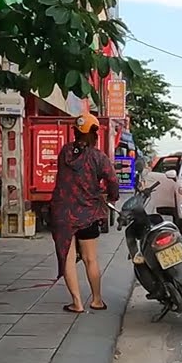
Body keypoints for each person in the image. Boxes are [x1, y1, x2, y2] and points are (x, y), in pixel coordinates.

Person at [50, 113, 120, 313]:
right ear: (95, 134)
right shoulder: (99, 157)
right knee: (91, 259)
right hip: (88, 214)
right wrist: (111, 197)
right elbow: (112, 181)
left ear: (75, 131)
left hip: (62, 214)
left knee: (68, 259)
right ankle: (97, 300)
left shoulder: (64, 152)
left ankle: (77, 303)